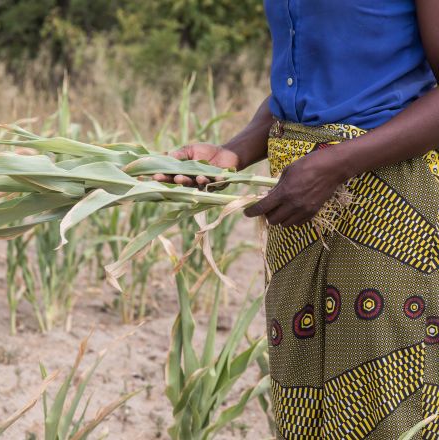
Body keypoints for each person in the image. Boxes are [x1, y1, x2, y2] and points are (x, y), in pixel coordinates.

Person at [155, 1, 439, 438]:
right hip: (301, 195)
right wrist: (233, 152)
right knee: (302, 395)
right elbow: (307, 85)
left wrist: (335, 164)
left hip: (391, 199)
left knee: (388, 399)